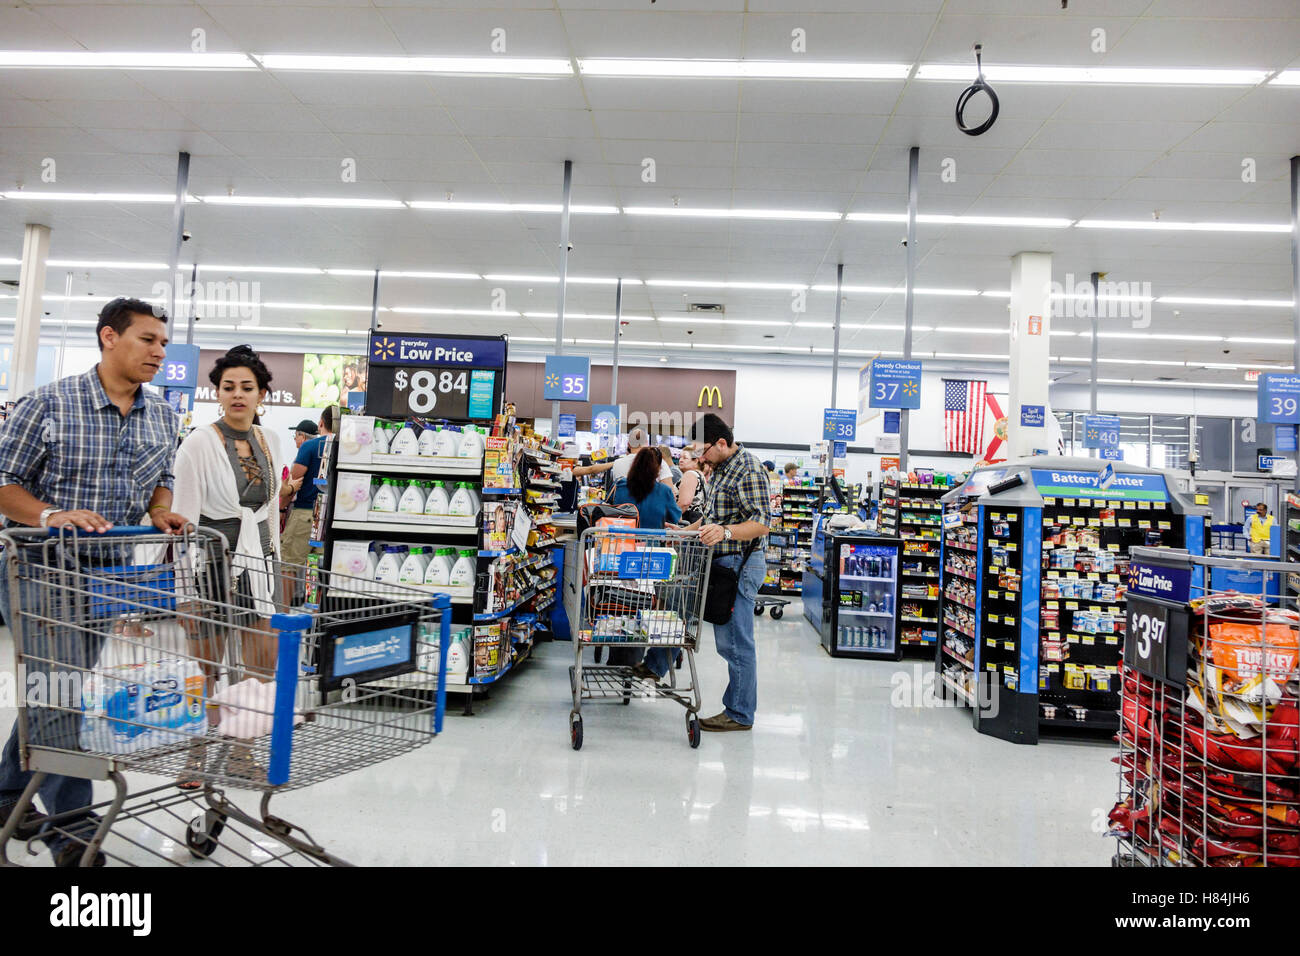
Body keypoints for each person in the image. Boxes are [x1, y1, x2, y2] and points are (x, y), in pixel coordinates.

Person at [0, 297, 187, 867]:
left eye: (162, 342)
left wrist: (161, 511)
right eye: (147, 340)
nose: (159, 352)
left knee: (59, 690)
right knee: (57, 690)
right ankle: (73, 832)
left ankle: (10, 795)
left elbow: (163, 478)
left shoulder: (162, 415)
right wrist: (50, 515)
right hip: (37, 568)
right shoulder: (49, 404)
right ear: (109, 337)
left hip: (110, 573)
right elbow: (3, 482)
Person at [172, 346, 300, 783]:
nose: (238, 395)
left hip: (260, 566)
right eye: (229, 388)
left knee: (259, 668)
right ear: (218, 393)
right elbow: (184, 519)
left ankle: (241, 752)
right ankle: (196, 752)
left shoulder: (271, 440)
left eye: (247, 387)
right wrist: (185, 590)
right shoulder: (198, 443)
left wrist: (277, 573)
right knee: (205, 669)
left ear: (263, 393)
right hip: (211, 563)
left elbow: (267, 514)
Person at [683, 413, 769, 731]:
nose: (699, 459)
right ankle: (738, 709)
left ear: (721, 443)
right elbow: (711, 519)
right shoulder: (720, 469)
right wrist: (683, 532)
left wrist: (726, 533)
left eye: (702, 452)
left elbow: (761, 522)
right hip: (723, 564)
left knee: (736, 644)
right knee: (729, 642)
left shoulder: (748, 468)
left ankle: (740, 714)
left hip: (740, 565)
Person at [610, 447, 683, 674]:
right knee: (650, 605)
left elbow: (604, 513)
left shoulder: (619, 488)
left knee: (622, 605)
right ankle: (643, 657)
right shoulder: (663, 491)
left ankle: (619, 654)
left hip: (621, 559)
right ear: (657, 470)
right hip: (654, 563)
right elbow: (675, 518)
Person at [281, 408, 334, 603]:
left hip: (305, 512)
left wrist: (281, 507)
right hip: (328, 516)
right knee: (315, 565)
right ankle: (313, 611)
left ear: (321, 423)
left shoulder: (310, 447)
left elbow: (294, 481)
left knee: (289, 565)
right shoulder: (343, 446)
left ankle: (283, 612)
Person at [572, 427, 672, 488]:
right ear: (647, 443)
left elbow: (591, 469)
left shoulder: (618, 463)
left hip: (623, 514)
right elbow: (669, 490)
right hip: (650, 514)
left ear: (628, 444)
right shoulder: (659, 463)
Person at [677, 448, 707, 524]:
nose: (681, 460)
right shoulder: (701, 476)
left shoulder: (690, 474)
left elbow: (684, 503)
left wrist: (669, 517)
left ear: (696, 460)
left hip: (685, 521)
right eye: (680, 457)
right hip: (696, 520)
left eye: (685, 458)